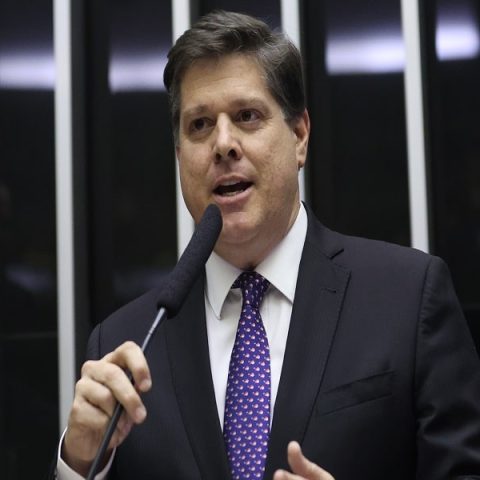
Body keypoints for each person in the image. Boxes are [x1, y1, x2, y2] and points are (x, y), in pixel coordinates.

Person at [52, 10, 480, 480]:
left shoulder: (407, 298)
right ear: (179, 155)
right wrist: (80, 461)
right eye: (200, 125)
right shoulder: (125, 344)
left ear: (299, 136)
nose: (223, 144)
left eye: (247, 116)